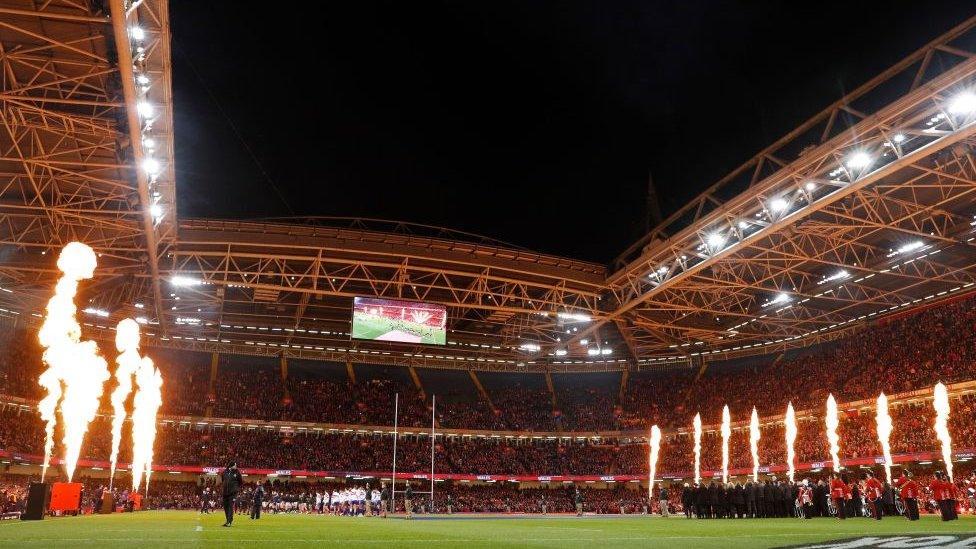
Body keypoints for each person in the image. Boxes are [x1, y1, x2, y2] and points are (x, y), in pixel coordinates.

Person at [220, 462, 243, 527]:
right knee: (226, 507)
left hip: (233, 493)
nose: (236, 466)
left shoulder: (237, 472)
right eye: (235, 465)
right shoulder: (225, 472)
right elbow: (223, 480)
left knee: (230, 507)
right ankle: (228, 521)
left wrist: (235, 488)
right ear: (231, 466)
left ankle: (229, 521)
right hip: (225, 493)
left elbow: (240, 482)